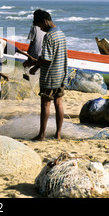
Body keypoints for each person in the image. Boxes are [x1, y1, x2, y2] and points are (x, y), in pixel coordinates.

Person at [23, 9, 68, 140]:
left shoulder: (48, 36)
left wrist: (33, 64)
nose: (40, 29)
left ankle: (42, 134)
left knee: (45, 104)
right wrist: (35, 68)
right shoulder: (61, 33)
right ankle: (58, 134)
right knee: (58, 103)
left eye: (40, 26)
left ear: (44, 21)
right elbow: (55, 56)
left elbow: (47, 59)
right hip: (61, 73)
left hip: (49, 76)